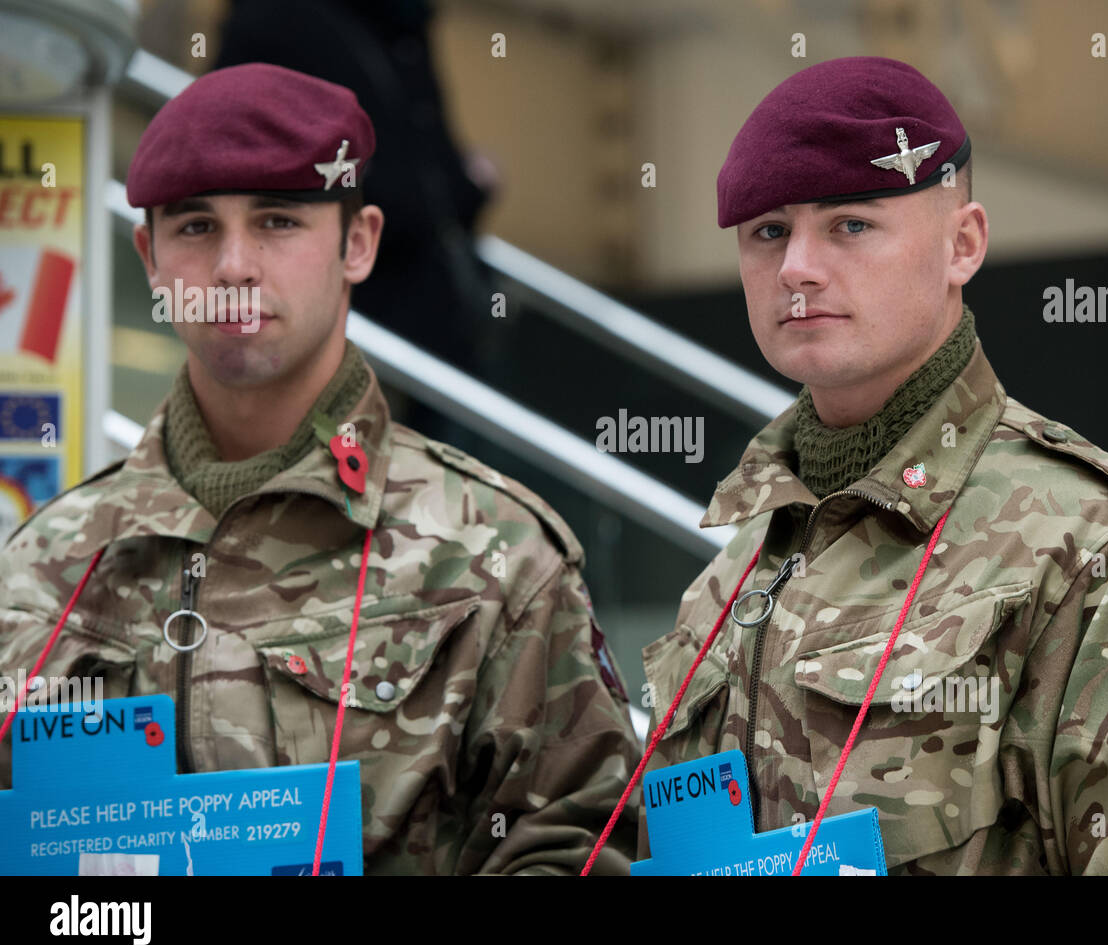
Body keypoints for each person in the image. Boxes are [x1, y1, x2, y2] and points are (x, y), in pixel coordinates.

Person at [632, 57, 1108, 875]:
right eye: (768, 232)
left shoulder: (1092, 549)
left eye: (850, 224)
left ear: (962, 244)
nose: (796, 267)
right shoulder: (737, 571)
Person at [0, 63, 640, 875]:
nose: (233, 266)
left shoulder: (492, 554)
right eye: (195, 227)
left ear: (358, 243)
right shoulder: (43, 569)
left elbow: (580, 844)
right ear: (149, 259)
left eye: (276, 220)